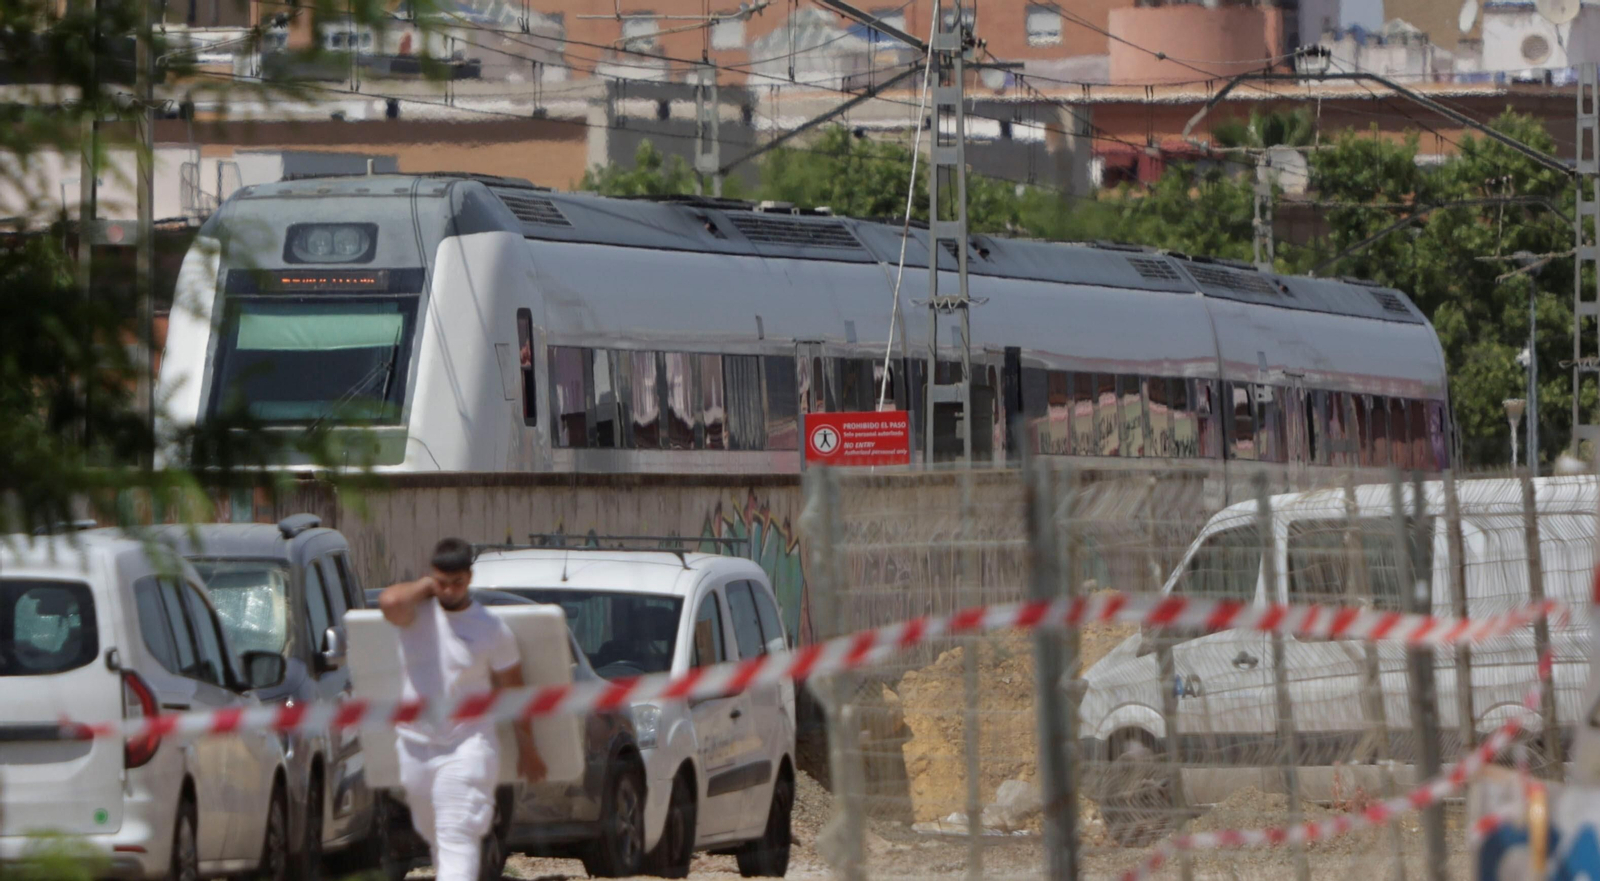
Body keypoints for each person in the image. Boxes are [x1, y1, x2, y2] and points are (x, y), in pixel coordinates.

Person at [379, 537, 547, 880]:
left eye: (458, 583)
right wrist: (429, 586)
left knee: (457, 834)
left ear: (469, 578)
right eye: (442, 582)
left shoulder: (490, 629)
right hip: (415, 746)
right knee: (435, 835)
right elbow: (390, 601)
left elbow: (514, 692)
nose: (450, 591)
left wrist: (528, 748)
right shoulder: (414, 616)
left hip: (467, 745)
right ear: (431, 577)